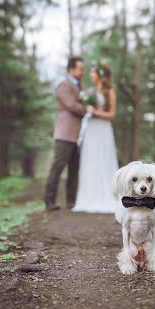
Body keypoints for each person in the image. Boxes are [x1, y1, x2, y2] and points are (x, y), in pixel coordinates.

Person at [44, 57, 93, 211]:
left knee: (74, 169)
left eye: (84, 69)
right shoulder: (63, 86)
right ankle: (49, 201)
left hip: (79, 136)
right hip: (65, 134)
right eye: (80, 69)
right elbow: (72, 105)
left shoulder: (82, 88)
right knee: (57, 167)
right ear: (71, 70)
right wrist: (88, 110)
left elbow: (88, 100)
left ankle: (71, 201)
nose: (83, 72)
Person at [73, 62, 119, 213]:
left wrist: (95, 112)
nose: (90, 75)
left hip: (103, 129)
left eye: (93, 72)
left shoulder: (109, 91)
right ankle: (88, 198)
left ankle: (105, 197)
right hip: (91, 130)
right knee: (90, 160)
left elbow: (111, 114)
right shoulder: (91, 91)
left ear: (100, 74)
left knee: (103, 159)